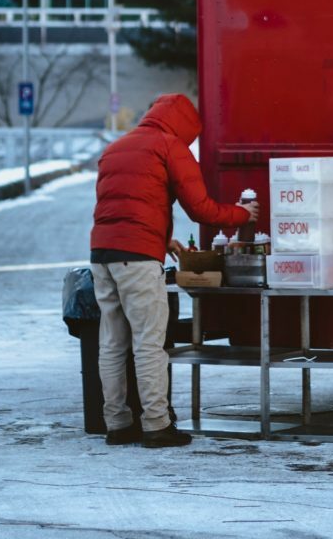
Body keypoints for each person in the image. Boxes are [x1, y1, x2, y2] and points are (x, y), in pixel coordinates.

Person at [90, 93, 257, 448]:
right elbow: (201, 209)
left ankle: (117, 423)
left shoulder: (117, 147)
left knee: (112, 343)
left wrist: (163, 239)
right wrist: (243, 214)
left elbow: (123, 205)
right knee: (150, 343)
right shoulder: (169, 146)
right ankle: (156, 425)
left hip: (103, 255)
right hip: (136, 258)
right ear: (184, 126)